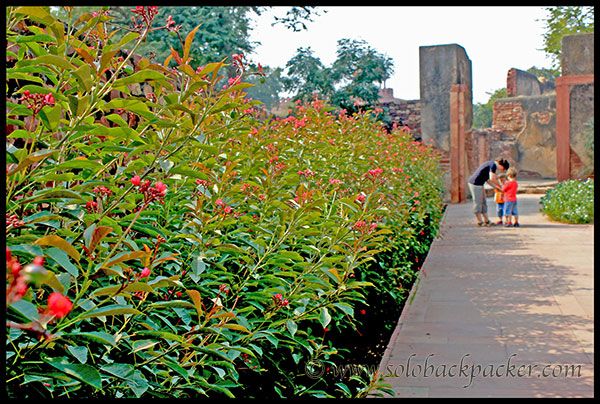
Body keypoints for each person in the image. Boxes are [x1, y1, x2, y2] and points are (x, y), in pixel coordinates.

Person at [467, 158, 510, 227]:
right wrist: (500, 186)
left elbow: (488, 180)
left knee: (483, 202)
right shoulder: (493, 165)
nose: (501, 170)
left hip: (480, 184)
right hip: (475, 184)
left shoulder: (490, 164)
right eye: (502, 168)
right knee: (478, 202)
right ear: (501, 165)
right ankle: (479, 221)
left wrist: (496, 188)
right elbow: (493, 178)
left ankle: (486, 220)